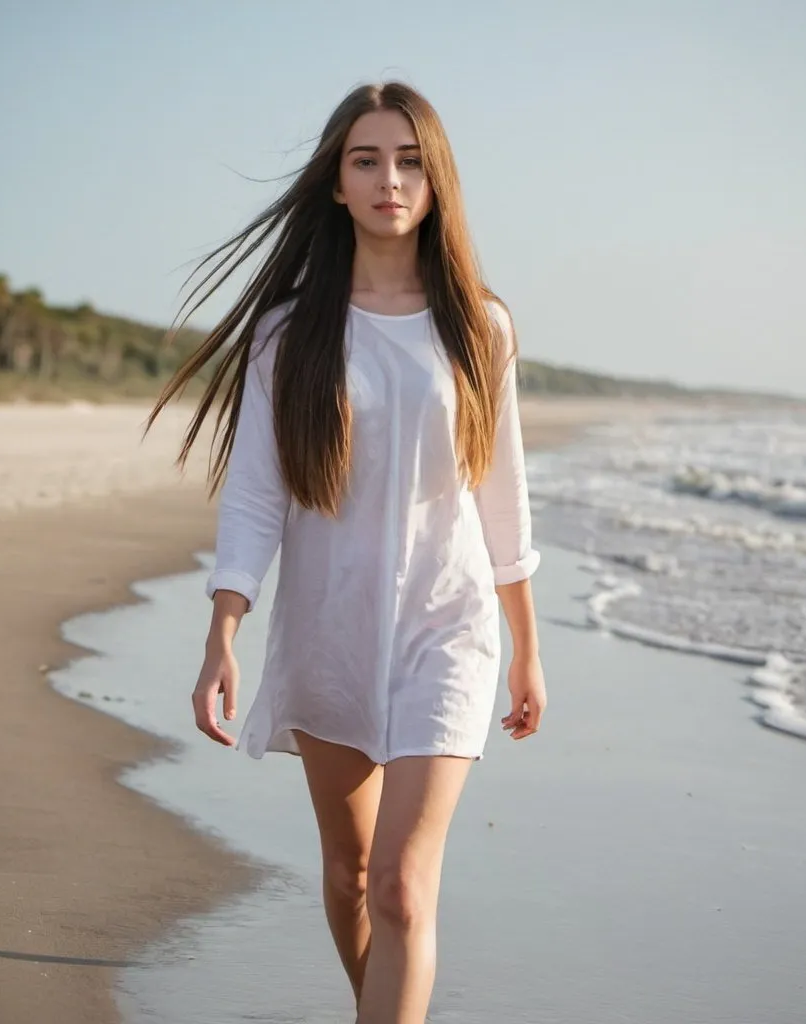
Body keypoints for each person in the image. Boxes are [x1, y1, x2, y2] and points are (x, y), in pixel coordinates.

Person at [148, 80, 546, 1023]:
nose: (389, 179)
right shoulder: (291, 332)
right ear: (335, 182)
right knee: (351, 869)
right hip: (328, 626)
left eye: (410, 161)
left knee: (405, 887)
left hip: (446, 631)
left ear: (436, 180)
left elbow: (504, 493)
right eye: (366, 160)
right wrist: (222, 634)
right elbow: (254, 492)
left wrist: (526, 644)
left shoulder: (480, 328)